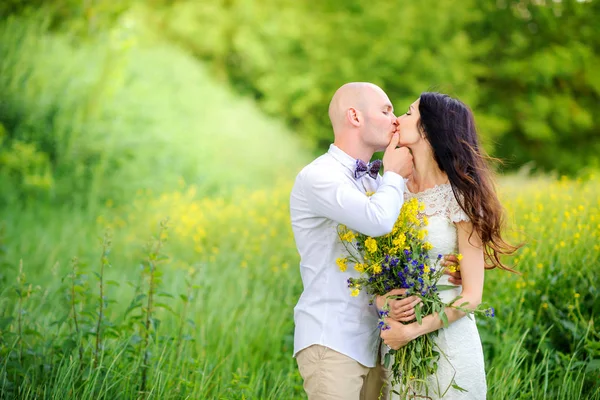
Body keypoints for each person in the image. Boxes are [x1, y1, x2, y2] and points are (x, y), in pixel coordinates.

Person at [290, 83, 461, 400]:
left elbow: (403, 245)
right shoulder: (319, 176)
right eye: (386, 110)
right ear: (354, 116)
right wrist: (393, 172)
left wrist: (448, 267)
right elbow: (378, 222)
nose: (395, 119)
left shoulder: (375, 181)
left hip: (381, 342)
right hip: (333, 341)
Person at [380, 92, 519, 399]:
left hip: (449, 345)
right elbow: (376, 270)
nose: (397, 120)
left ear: (428, 129)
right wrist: (384, 306)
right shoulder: (392, 190)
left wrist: (412, 331)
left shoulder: (461, 196)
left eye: (408, 113)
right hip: (398, 348)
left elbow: (471, 297)